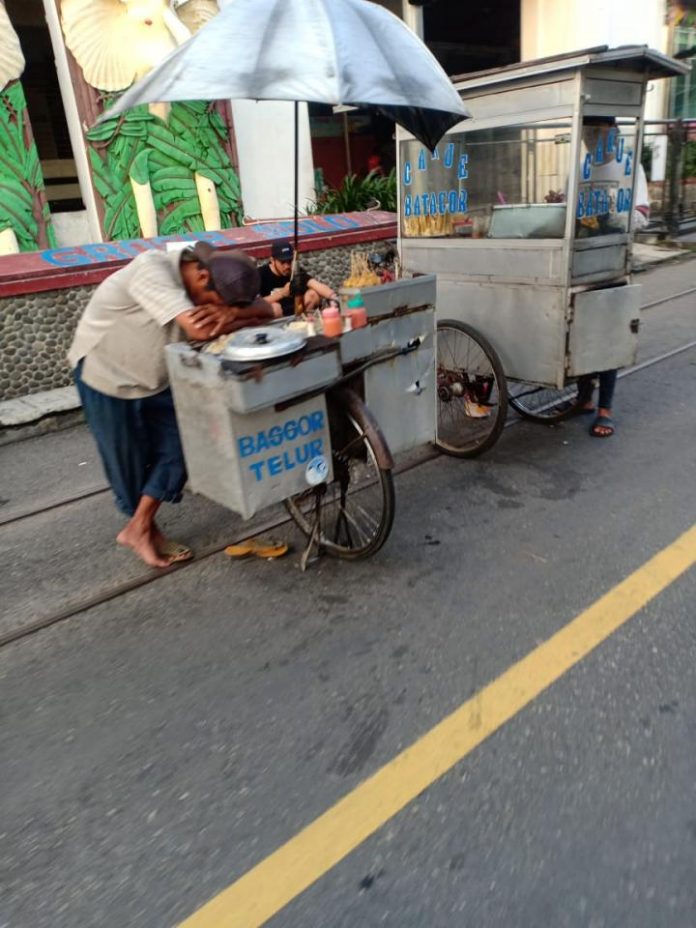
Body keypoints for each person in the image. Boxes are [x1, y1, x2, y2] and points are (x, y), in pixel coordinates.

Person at [68, 242, 274, 568]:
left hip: (157, 380)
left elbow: (267, 311)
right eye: (213, 304)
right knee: (129, 466)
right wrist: (236, 319)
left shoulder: (216, 280)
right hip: (106, 377)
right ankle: (147, 530)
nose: (214, 311)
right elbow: (200, 328)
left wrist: (234, 312)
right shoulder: (152, 269)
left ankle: (138, 527)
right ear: (202, 275)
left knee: (183, 447)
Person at [548, 117, 650, 438]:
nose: (594, 139)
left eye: (601, 132)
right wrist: (559, 206)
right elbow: (568, 211)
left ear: (614, 134)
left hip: (613, 262)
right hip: (581, 263)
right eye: (589, 133)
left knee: (608, 335)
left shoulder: (630, 167)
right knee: (580, 331)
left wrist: (611, 216)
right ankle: (584, 399)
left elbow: (643, 216)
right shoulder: (580, 169)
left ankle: (605, 408)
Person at [258, 240, 338, 318]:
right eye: (282, 262)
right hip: (277, 316)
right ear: (272, 260)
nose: (287, 266)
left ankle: (306, 321)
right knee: (274, 308)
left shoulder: (295, 271)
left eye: (289, 261)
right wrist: (281, 293)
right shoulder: (260, 274)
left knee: (313, 294)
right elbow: (254, 305)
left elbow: (315, 284)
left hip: (297, 311)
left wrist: (334, 297)